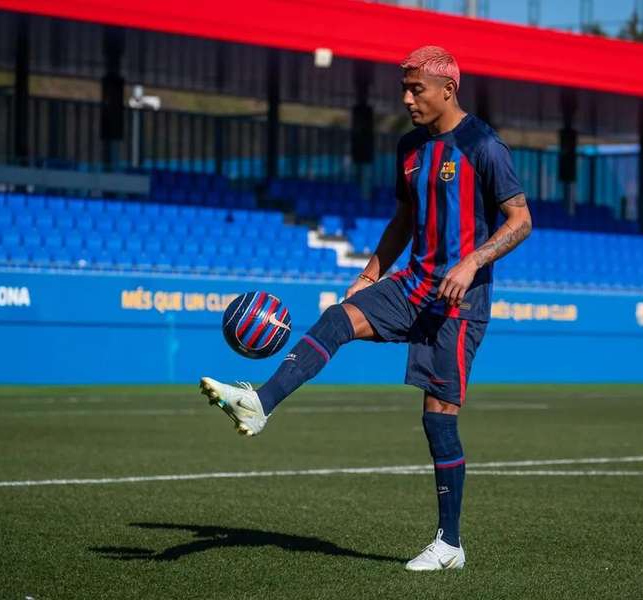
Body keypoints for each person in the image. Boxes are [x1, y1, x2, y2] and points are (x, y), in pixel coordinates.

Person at [200, 45, 532, 571]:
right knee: (337, 317)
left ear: (448, 89)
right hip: (411, 284)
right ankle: (260, 404)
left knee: (438, 422)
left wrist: (470, 264)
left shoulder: (483, 145)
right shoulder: (408, 148)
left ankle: (450, 544)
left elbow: (520, 220)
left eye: (415, 88)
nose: (406, 99)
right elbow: (404, 219)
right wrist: (370, 272)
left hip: (459, 301)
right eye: (403, 88)